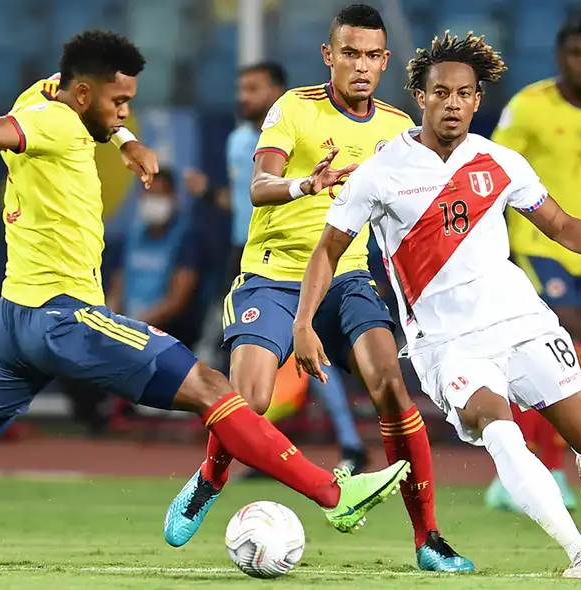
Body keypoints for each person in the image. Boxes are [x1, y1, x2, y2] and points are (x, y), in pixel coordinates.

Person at [0, 30, 412, 565]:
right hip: (65, 318)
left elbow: (72, 113)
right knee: (211, 389)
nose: (125, 112)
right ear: (86, 95)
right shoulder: (48, 122)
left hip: (13, 320)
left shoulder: (49, 92)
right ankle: (335, 496)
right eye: (120, 104)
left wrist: (126, 143)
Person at [292, 32, 581, 578]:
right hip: (448, 346)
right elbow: (328, 250)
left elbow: (560, 225)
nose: (452, 103)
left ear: (478, 99)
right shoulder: (381, 172)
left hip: (521, 322)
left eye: (463, 93)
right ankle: (580, 553)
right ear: (421, 96)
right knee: (500, 433)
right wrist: (304, 322)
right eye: (440, 92)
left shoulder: (498, 161)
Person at [164, 4, 473, 572]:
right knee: (250, 401)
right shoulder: (293, 109)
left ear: (385, 61)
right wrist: (307, 183)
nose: (361, 65)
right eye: (349, 54)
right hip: (273, 275)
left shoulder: (396, 130)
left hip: (347, 278)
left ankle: (428, 537)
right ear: (330, 55)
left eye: (372, 56)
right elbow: (258, 186)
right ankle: (210, 478)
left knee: (391, 389)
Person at [486, 19, 581, 511]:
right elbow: (491, 172)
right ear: (560, 57)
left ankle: (528, 468)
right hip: (536, 245)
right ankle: (536, 470)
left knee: (566, 357)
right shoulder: (528, 106)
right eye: (576, 52)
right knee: (560, 340)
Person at [225, 61, 370, 477]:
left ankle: (345, 443)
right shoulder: (238, 140)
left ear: (276, 90)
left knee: (310, 355)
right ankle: (266, 445)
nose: (244, 97)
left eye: (253, 88)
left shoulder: (302, 130)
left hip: (316, 258)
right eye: (241, 88)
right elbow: (247, 194)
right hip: (253, 254)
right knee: (258, 363)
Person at [106, 168, 208, 347]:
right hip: (125, 333)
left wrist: (137, 326)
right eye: (149, 194)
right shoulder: (131, 237)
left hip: (166, 338)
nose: (153, 200)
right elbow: (117, 287)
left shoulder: (187, 239)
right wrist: (111, 324)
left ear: (173, 198)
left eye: (159, 194)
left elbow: (177, 300)